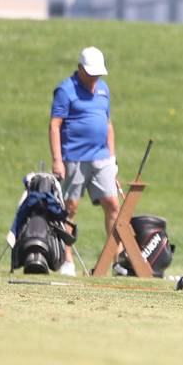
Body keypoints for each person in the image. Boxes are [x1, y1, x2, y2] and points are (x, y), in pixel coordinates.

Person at [49, 46, 119, 277]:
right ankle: (67, 260)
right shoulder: (65, 90)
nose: (94, 78)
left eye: (98, 74)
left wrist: (112, 158)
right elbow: (55, 125)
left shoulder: (103, 89)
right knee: (70, 208)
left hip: (101, 157)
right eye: (91, 73)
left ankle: (115, 260)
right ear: (80, 69)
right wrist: (57, 160)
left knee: (113, 205)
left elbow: (108, 125)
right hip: (74, 158)